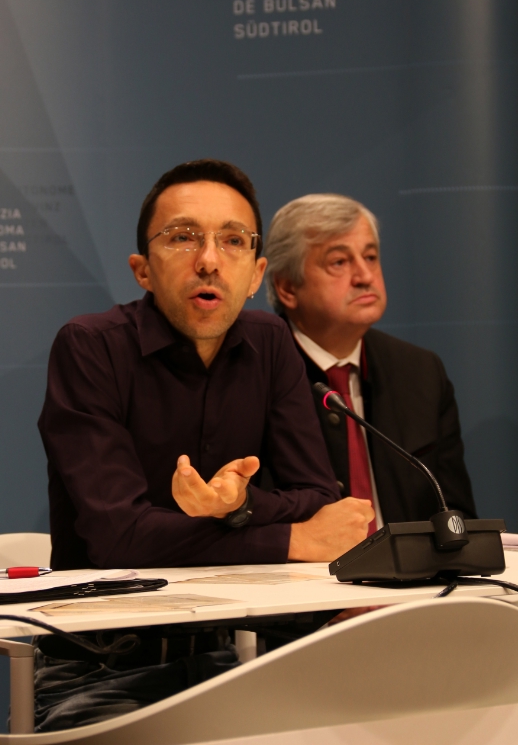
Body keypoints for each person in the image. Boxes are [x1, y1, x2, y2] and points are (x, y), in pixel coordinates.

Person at [35, 161, 374, 732]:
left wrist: (239, 505)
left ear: (256, 271)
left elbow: (317, 495)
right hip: (104, 666)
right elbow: (120, 538)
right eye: (182, 237)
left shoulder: (270, 342)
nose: (210, 259)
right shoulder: (90, 348)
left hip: (239, 654)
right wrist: (289, 538)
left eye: (233, 241)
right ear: (142, 270)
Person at [264, 193, 477, 529]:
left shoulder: (420, 372)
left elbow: (457, 517)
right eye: (339, 262)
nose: (364, 275)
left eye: (371, 257)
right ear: (288, 287)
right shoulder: (253, 377)